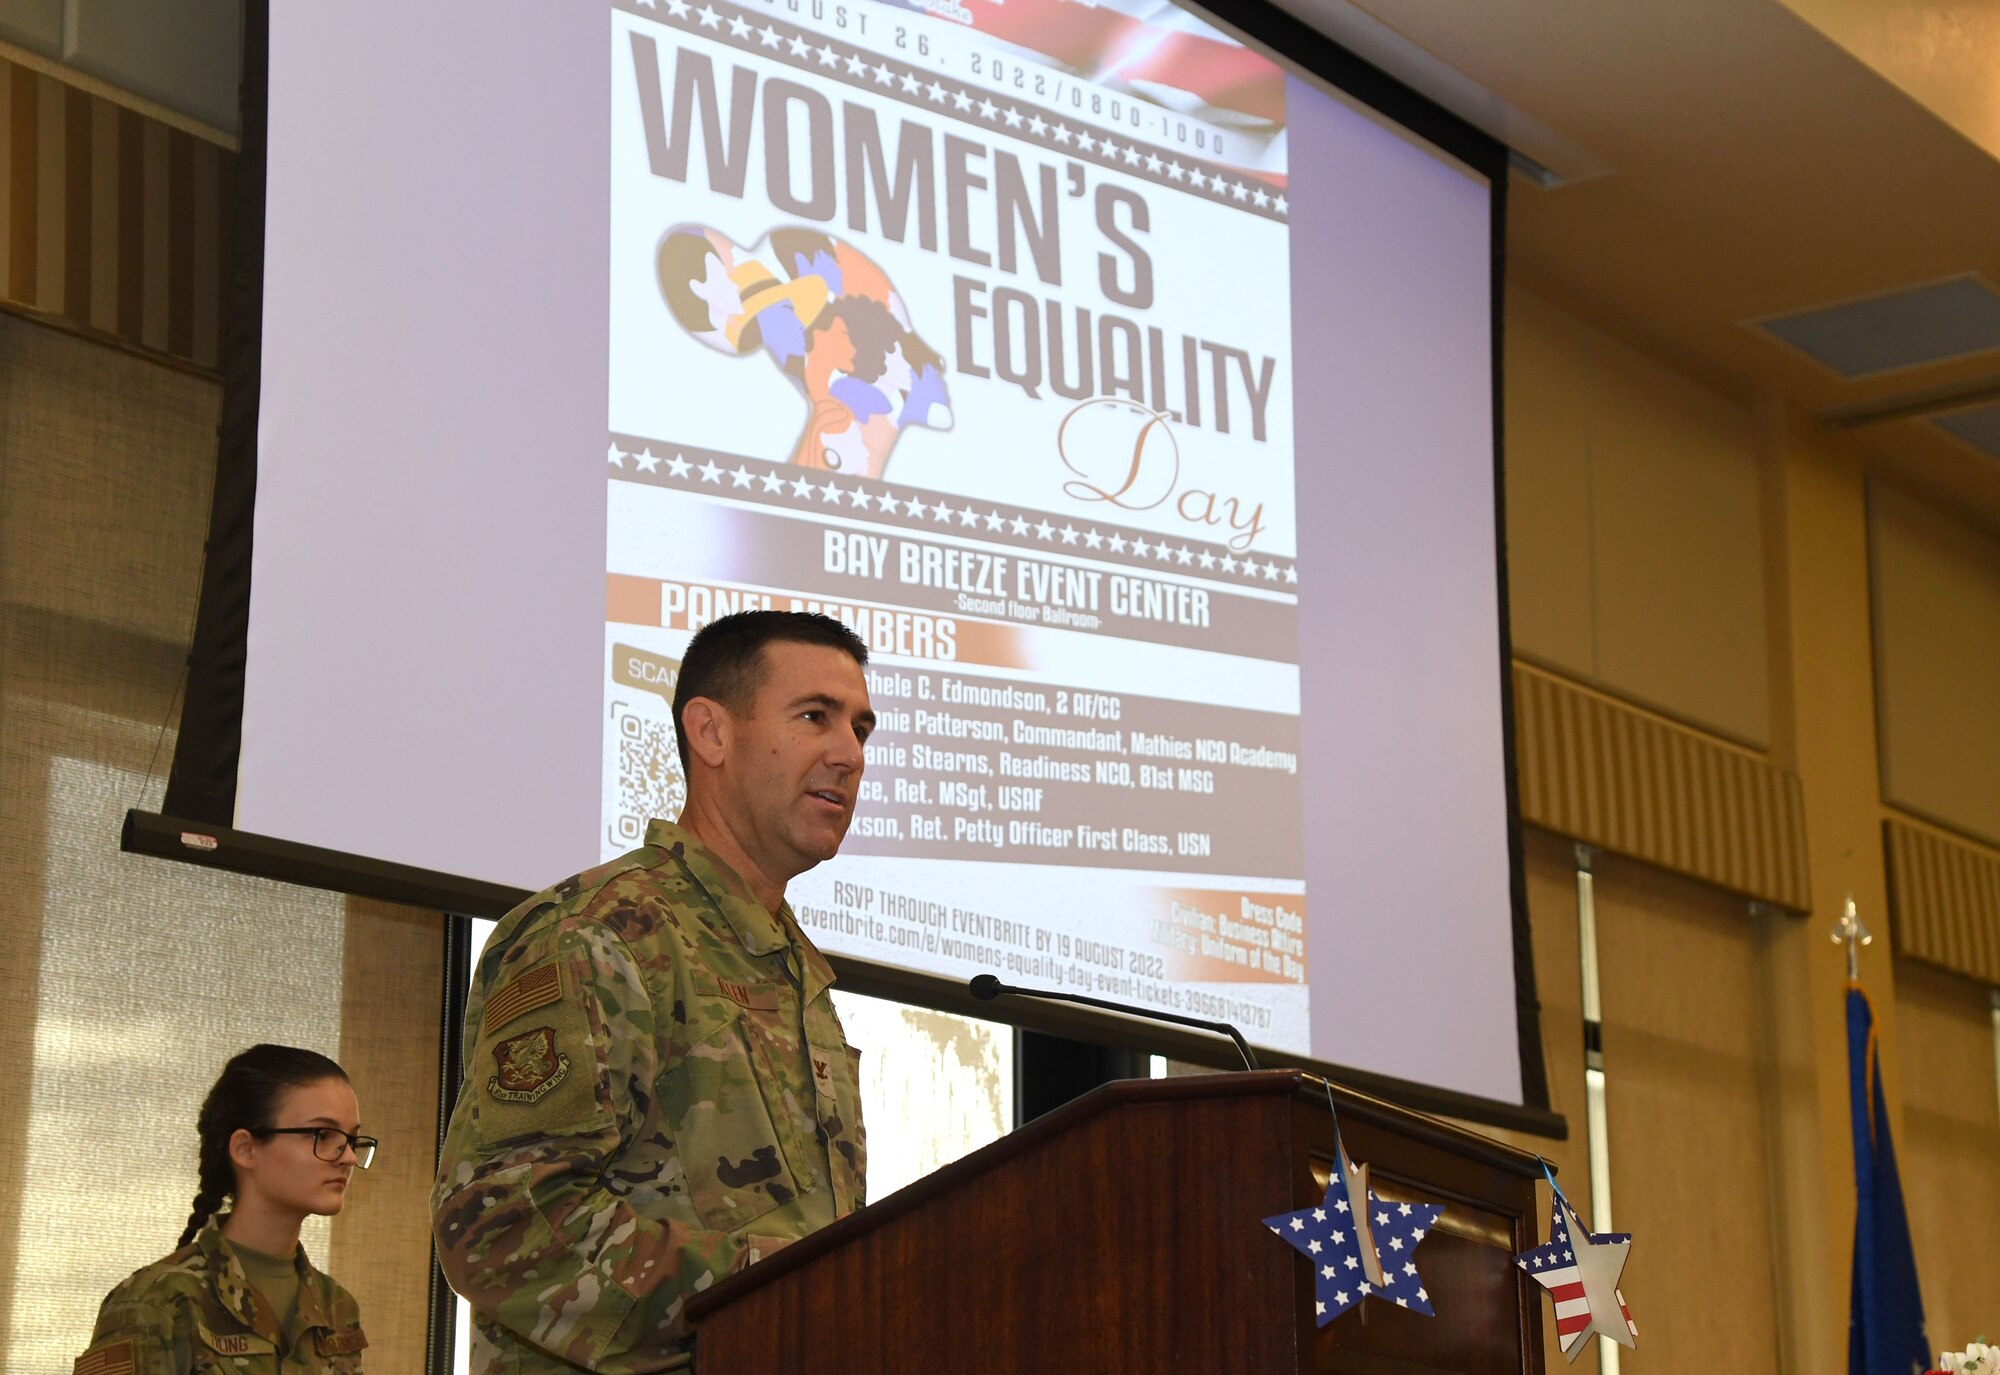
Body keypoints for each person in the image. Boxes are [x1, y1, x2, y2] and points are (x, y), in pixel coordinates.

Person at [433, 610, 874, 1373]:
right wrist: (781, 1291)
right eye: (815, 717)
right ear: (710, 733)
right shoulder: (598, 932)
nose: (849, 754)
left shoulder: (795, 970)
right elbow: (504, 1223)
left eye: (862, 729)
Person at [75, 1044, 375, 1373]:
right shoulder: (158, 1303)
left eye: (351, 1139)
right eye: (323, 1134)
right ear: (245, 1149)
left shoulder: (337, 1306)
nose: (347, 1156)